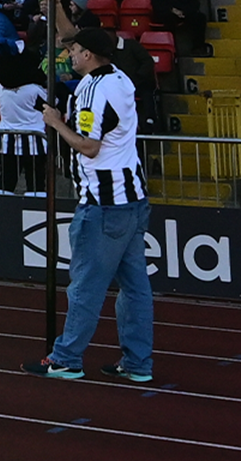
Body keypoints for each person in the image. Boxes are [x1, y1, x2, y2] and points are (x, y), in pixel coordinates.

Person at [36, 26, 153, 386]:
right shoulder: (120, 79)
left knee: (85, 285)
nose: (69, 55)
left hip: (103, 204)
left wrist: (56, 123)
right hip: (132, 197)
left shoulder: (93, 90)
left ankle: (67, 357)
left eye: (73, 50)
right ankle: (138, 362)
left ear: (88, 55)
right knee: (135, 288)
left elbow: (89, 147)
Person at [0, 48, 50, 197]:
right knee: (35, 181)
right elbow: (51, 103)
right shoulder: (34, 90)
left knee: (6, 179)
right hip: (34, 142)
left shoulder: (0, 89)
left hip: (7, 140)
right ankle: (36, 212)